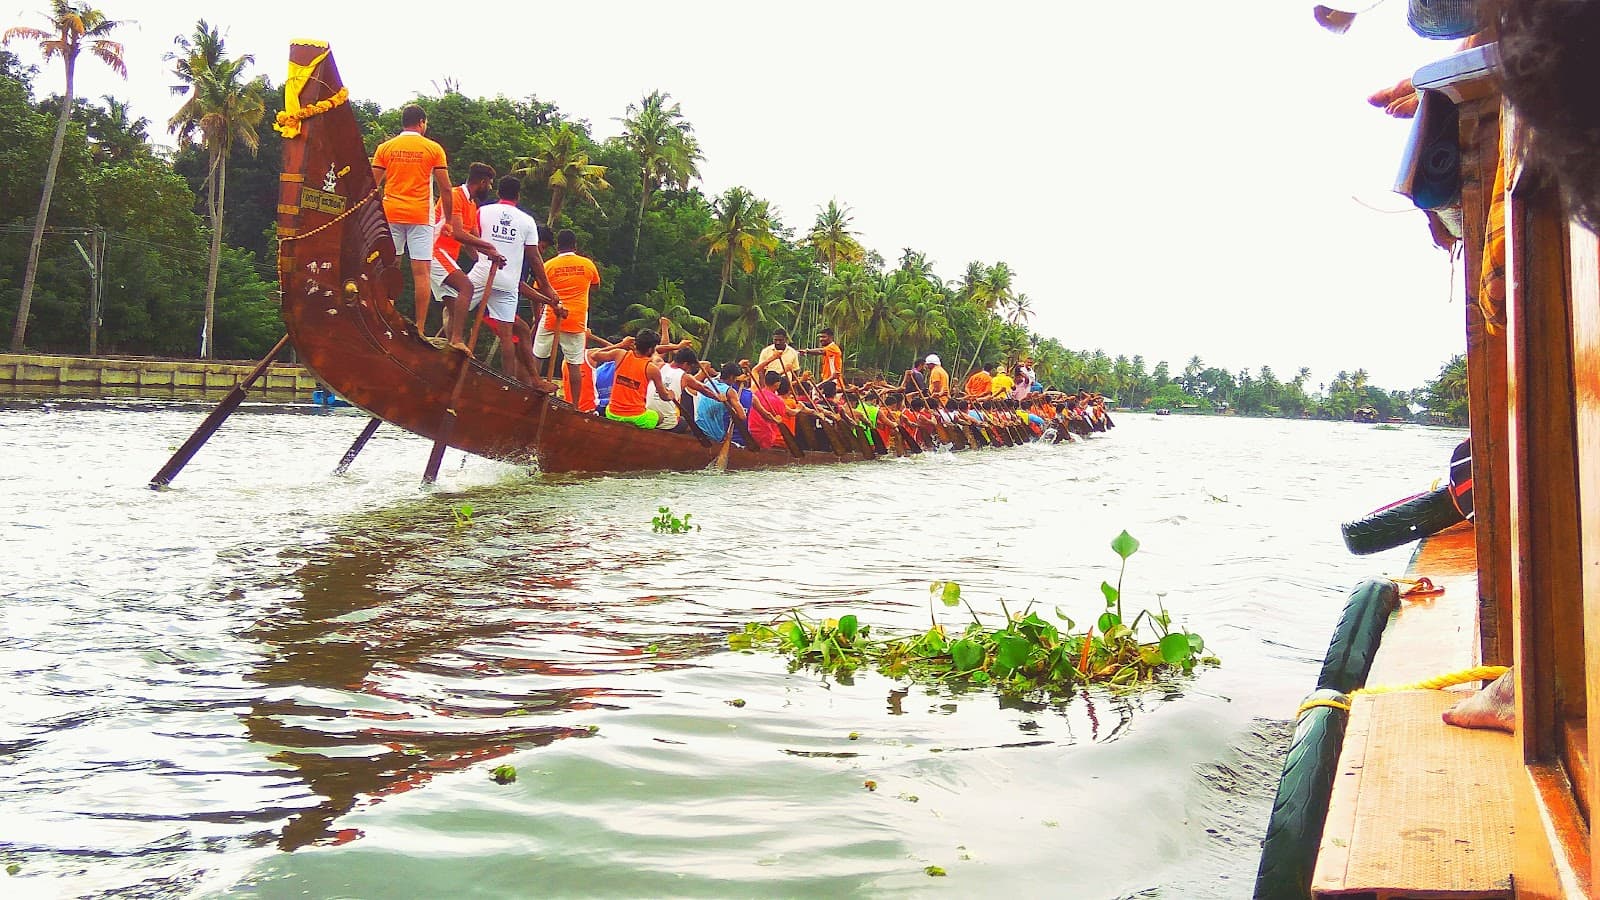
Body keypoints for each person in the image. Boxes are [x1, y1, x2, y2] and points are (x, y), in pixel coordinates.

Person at [468, 176, 558, 388]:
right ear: (518, 196)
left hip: (484, 272)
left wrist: (481, 257)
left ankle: (455, 344)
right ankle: (508, 382)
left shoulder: (483, 211)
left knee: (454, 301)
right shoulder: (526, 221)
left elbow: (469, 238)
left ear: (498, 192)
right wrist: (548, 291)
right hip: (507, 283)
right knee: (509, 336)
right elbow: (535, 260)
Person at [372, 104, 454, 332]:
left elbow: (371, 185)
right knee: (421, 272)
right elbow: (446, 188)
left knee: (390, 267)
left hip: (390, 213)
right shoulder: (433, 149)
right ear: (421, 122)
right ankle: (419, 327)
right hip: (420, 215)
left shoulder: (386, 148)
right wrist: (447, 220)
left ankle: (385, 318)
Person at [430, 162, 505, 352]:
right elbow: (458, 234)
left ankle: (452, 349)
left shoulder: (471, 204)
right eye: (489, 184)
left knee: (455, 308)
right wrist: (490, 247)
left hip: (447, 257)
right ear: (482, 182)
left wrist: (489, 257)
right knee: (466, 287)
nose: (490, 188)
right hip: (434, 251)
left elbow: (473, 241)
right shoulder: (455, 196)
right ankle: (456, 340)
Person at [535, 229, 601, 405]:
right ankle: (575, 405)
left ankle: (531, 391)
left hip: (551, 315)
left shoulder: (548, 265)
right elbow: (595, 285)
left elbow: (538, 289)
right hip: (576, 319)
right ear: (575, 245)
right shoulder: (587, 264)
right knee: (574, 364)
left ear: (557, 246)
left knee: (538, 355)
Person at [590, 329, 673, 429]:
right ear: (651, 349)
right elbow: (664, 396)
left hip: (612, 413)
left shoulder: (620, 354)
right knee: (660, 416)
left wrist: (620, 344)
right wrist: (670, 396)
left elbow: (594, 355)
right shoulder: (652, 369)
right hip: (636, 417)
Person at [695, 361, 748, 445]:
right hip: (713, 434)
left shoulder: (708, 382)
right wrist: (732, 409)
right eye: (735, 378)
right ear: (731, 377)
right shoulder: (730, 391)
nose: (735, 381)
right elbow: (742, 417)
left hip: (697, 426)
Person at [746, 370, 790, 450]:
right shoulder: (778, 401)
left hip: (751, 432)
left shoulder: (755, 393)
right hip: (766, 435)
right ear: (777, 384)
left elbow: (755, 370)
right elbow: (790, 413)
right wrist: (800, 409)